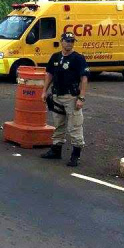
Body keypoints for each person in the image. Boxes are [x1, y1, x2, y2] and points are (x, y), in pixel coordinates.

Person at [41, 31, 90, 167]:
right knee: (58, 124)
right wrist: (44, 91)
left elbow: (84, 78)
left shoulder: (78, 58)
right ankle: (56, 149)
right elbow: (49, 74)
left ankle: (76, 154)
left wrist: (81, 97)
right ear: (61, 41)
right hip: (57, 95)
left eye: (72, 41)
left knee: (75, 125)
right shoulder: (55, 57)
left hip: (71, 96)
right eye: (67, 41)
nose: (69, 44)